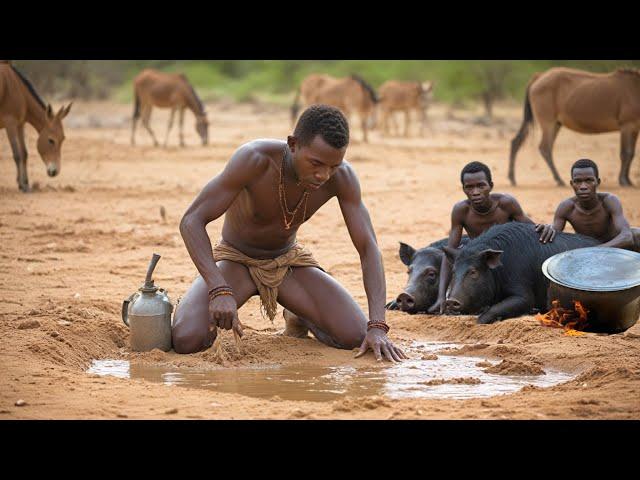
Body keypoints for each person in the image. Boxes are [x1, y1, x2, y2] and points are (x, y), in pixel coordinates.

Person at [172, 104, 406, 362]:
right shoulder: (254, 159)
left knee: (357, 338)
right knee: (186, 339)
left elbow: (368, 247)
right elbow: (191, 221)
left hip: (287, 263)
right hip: (236, 261)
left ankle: (298, 314)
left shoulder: (343, 177)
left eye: (333, 166)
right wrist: (218, 289)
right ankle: (200, 300)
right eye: (316, 163)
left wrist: (377, 325)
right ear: (293, 144)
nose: (323, 175)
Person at [430, 161, 535, 314]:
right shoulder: (461, 211)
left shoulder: (506, 204)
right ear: (464, 189)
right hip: (477, 268)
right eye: (469, 187)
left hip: (508, 268)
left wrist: (545, 228)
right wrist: (441, 297)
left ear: (491, 186)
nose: (475, 192)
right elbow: (450, 255)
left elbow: (532, 231)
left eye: (481, 186)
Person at [536, 158, 639, 250]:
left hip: (615, 246)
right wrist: (548, 229)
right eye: (578, 181)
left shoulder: (609, 201)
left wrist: (596, 250)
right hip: (587, 251)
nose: (583, 186)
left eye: (589, 180)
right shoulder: (566, 207)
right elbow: (554, 233)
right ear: (572, 184)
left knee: (637, 234)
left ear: (598, 182)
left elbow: (627, 237)